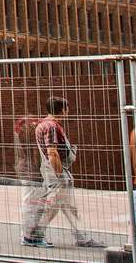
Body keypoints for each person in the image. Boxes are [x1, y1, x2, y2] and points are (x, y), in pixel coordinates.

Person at [21, 96, 102, 249]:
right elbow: (52, 151)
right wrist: (59, 174)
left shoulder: (44, 124)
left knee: (69, 206)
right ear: (63, 110)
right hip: (56, 171)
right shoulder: (51, 126)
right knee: (52, 204)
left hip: (55, 170)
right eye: (67, 108)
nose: (68, 110)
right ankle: (33, 235)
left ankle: (81, 237)